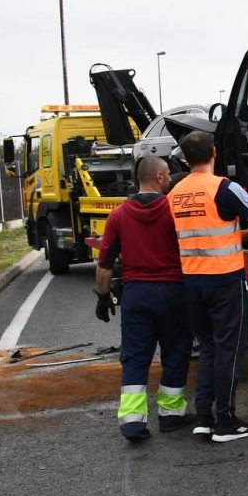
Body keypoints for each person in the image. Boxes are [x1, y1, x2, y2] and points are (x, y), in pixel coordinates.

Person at [168, 131, 248, 443]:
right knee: (229, 350)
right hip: (225, 282)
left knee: (211, 348)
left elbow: (209, 233)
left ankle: (203, 417)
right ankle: (225, 421)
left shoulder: (175, 193)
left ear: (185, 159)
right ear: (214, 152)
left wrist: (246, 232)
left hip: (192, 283)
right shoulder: (223, 188)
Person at [95, 156, 193, 442]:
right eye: (168, 175)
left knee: (136, 357)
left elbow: (105, 264)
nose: (171, 180)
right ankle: (171, 415)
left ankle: (133, 423)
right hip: (174, 292)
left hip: (136, 295)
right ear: (160, 177)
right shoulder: (174, 211)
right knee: (175, 352)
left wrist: (102, 297)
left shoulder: (119, 215)